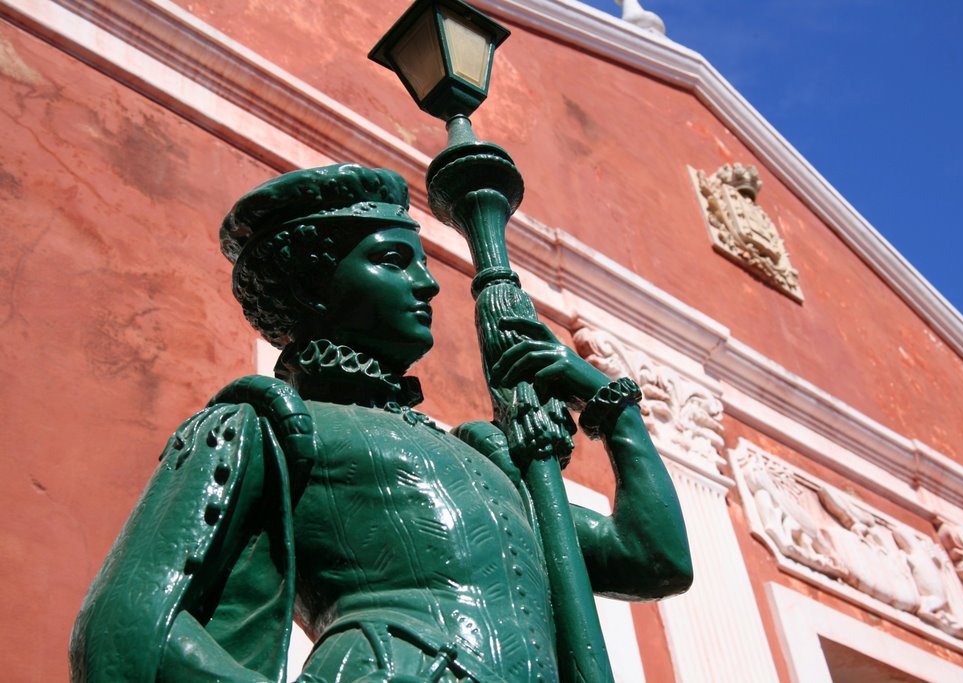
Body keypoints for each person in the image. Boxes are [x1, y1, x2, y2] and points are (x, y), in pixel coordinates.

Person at [70, 163, 692, 682]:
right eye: (393, 260)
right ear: (316, 286)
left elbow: (652, 558)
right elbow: (128, 628)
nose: (427, 283)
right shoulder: (264, 426)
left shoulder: (485, 458)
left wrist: (614, 408)